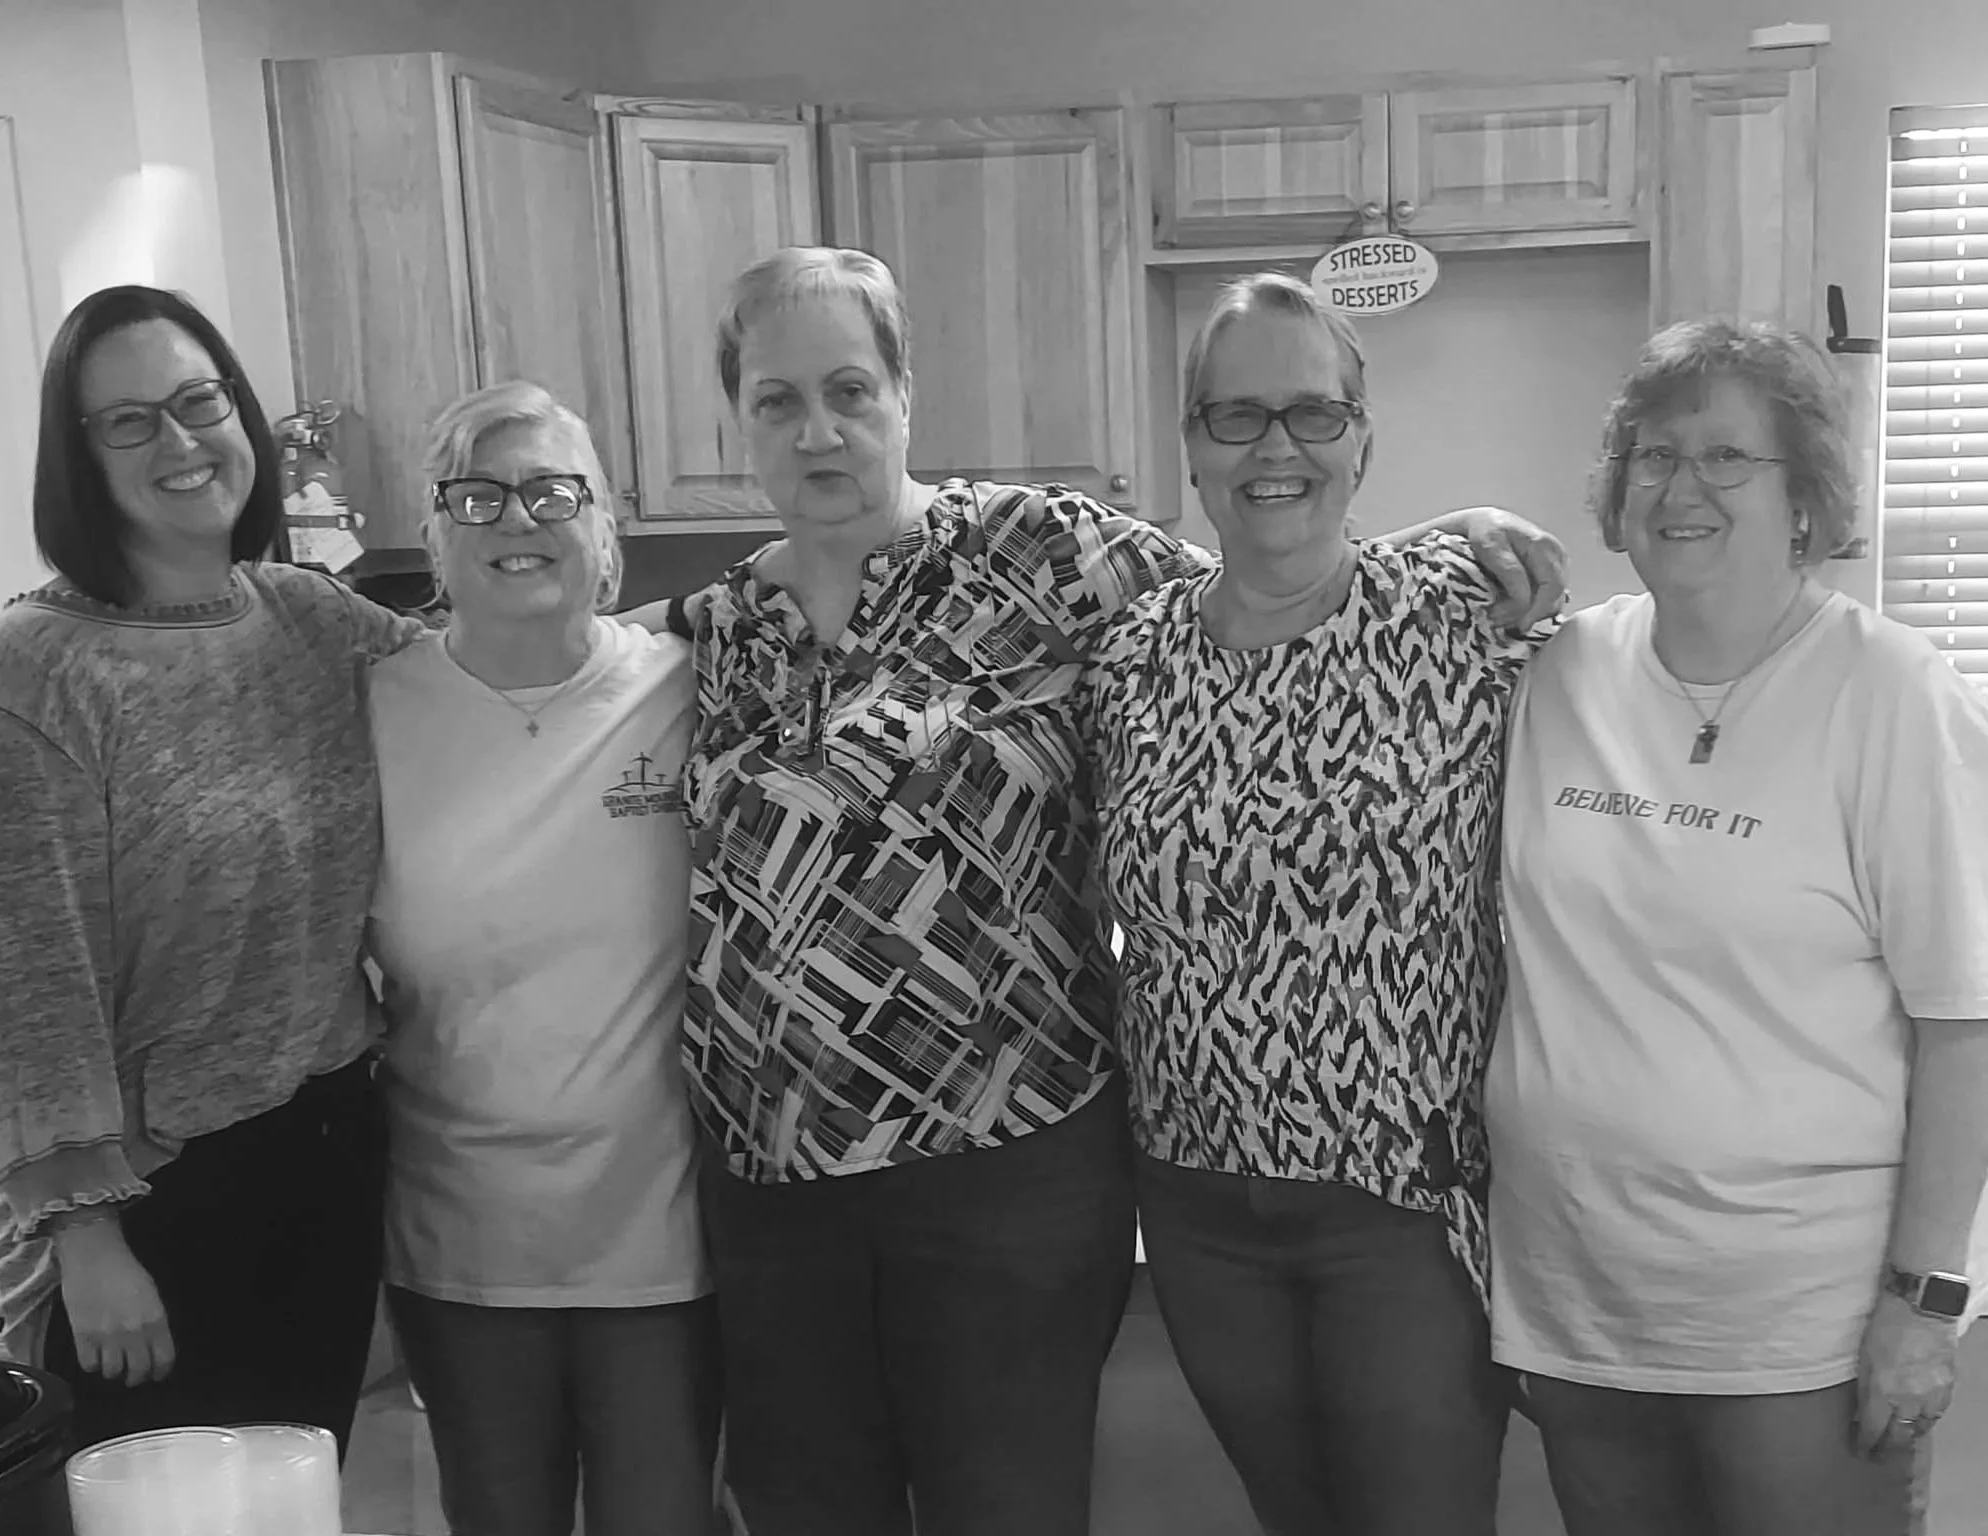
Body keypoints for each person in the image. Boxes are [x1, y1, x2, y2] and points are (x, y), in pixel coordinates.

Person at [675, 245, 1567, 1536]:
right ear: (737, 417)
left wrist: (1443, 543)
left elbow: (1277, 565)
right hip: (774, 1181)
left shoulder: (1041, 552)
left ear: (906, 392)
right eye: (778, 399)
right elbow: (565, 674)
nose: (819, 429)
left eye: (851, 389)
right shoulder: (709, 631)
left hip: (1013, 1167)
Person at [1487, 318, 1988, 1536]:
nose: (1680, 488)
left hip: (1800, 1329)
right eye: (1653, 456)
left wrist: (1922, 1304)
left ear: (1802, 495)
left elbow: (1963, 1023)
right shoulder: (1552, 673)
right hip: (1577, 1308)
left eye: (1725, 457)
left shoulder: (1889, 693)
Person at [1079, 271, 1548, 1536]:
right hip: (1193, 1196)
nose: (1273, 448)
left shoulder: (1461, 620)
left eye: (1311, 413)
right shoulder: (1127, 661)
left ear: (1360, 437)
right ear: (1190, 445)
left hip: (1401, 1200)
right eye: (1235, 416)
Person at [0, 284, 418, 1453]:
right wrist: (85, 1238)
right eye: (129, 421)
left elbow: (509, 683)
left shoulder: (315, 622)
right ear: (80, 460)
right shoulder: (33, 674)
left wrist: (735, 608)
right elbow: (17, 982)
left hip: (324, 1149)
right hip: (147, 1200)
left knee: (294, 1498)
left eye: (199, 401)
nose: (180, 440)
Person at [367, 381, 720, 1535]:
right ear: (434, 536)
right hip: (460, 1241)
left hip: (660, 1238)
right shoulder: (369, 710)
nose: (517, 518)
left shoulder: (687, 684)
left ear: (603, 526)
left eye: (551, 492)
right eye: (476, 496)